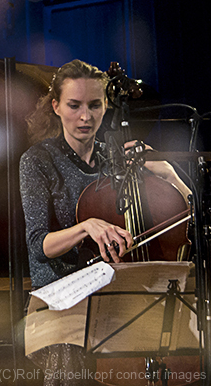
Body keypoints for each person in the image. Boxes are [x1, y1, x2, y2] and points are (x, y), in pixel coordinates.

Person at [19, 59, 190, 386]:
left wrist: (171, 176)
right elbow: (39, 245)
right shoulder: (38, 161)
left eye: (95, 105)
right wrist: (86, 226)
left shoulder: (118, 158)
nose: (85, 116)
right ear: (56, 106)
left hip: (119, 293)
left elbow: (187, 219)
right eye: (74, 105)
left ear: (105, 106)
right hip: (64, 299)